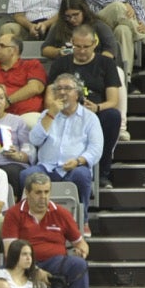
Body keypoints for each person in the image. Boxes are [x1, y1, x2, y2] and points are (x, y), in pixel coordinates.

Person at [1, 173, 92, 288]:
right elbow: (10, 252)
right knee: (2, 273)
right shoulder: (14, 214)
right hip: (23, 263)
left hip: (54, 262)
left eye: (46, 192)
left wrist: (82, 251)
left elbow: (80, 242)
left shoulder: (61, 213)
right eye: (38, 192)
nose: (43, 197)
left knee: (78, 264)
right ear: (27, 193)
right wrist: (33, 270)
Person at [46, 24, 123, 188]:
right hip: (65, 111)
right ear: (71, 43)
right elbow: (49, 96)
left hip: (94, 110)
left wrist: (97, 108)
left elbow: (113, 100)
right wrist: (59, 107)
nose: (81, 51)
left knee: (112, 116)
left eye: (86, 47)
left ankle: (103, 172)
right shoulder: (61, 63)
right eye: (77, 46)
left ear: (94, 44)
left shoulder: (106, 63)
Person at [21, 75, 102, 228]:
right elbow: (35, 140)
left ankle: (83, 220)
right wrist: (51, 114)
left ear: (77, 94)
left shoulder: (90, 118)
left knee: (82, 174)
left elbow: (96, 149)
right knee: (27, 175)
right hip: (46, 167)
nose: (63, 92)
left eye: (67, 89)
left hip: (73, 168)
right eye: (59, 89)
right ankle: (29, 219)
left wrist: (78, 161)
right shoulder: (47, 114)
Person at [40, 0, 121, 62]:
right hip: (69, 67)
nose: (72, 19)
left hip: (98, 66)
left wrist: (95, 62)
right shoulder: (59, 27)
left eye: (76, 15)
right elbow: (45, 49)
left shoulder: (99, 26)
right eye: (68, 16)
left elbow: (110, 50)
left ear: (84, 11)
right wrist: (58, 52)